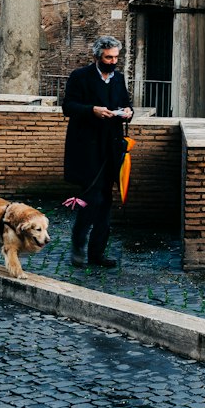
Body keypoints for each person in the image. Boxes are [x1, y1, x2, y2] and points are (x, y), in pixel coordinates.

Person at [62, 36, 133, 268]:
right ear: (97, 57)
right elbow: (68, 107)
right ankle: (78, 245)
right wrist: (92, 110)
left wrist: (128, 111)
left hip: (111, 148)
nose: (113, 61)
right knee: (91, 199)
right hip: (87, 149)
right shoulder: (80, 77)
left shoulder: (119, 79)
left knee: (106, 202)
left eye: (115, 57)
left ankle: (97, 253)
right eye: (108, 57)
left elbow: (125, 102)